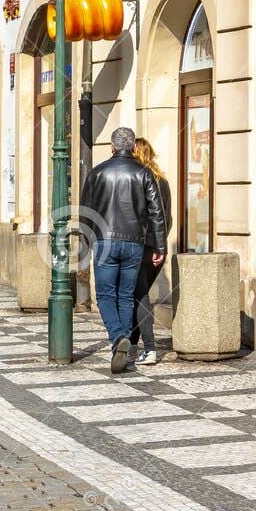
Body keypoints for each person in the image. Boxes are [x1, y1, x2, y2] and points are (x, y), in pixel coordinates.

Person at [80, 126, 168, 374]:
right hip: (134, 243)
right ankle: (124, 342)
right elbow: (156, 213)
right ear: (131, 147)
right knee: (127, 296)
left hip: (105, 242)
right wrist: (159, 245)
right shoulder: (145, 173)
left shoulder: (97, 173)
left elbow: (85, 210)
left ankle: (119, 338)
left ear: (112, 147)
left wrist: (87, 241)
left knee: (106, 295)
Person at [131, 137, 174, 366]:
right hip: (156, 248)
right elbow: (168, 218)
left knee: (139, 296)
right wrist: (160, 244)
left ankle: (148, 348)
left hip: (139, 246)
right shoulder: (162, 181)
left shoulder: (137, 180)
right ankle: (132, 342)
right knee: (140, 293)